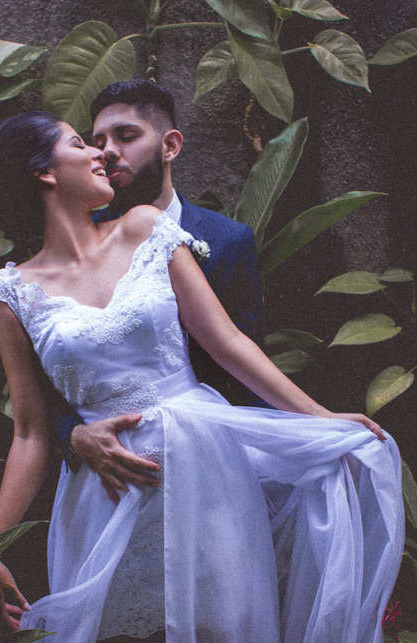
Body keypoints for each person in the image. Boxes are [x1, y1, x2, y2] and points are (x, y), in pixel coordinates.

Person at [0, 110, 404, 643]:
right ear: (45, 173)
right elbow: (29, 429)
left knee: (228, 641)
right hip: (107, 500)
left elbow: (227, 343)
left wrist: (320, 421)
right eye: (82, 144)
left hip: (205, 468)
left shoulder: (145, 231)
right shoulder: (10, 292)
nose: (101, 156)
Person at [70, 80, 262, 503]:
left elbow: (240, 364)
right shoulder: (77, 242)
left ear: (170, 145)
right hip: (111, 479)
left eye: (127, 136)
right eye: (97, 140)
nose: (107, 152)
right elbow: (52, 361)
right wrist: (75, 433)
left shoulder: (227, 241)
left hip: (208, 468)